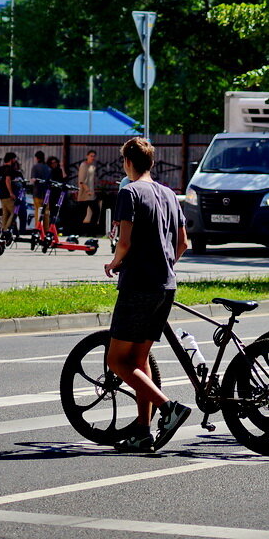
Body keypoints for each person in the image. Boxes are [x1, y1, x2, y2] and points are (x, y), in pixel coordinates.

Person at [103, 138, 191, 452]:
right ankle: (142, 431)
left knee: (116, 360)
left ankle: (169, 408)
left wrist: (113, 263)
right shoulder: (169, 193)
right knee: (139, 361)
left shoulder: (128, 192)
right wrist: (165, 264)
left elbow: (124, 242)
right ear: (151, 162)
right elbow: (183, 242)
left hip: (138, 284)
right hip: (166, 285)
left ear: (128, 162)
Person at [0, 152, 23, 235]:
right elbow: (7, 180)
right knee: (14, 212)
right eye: (14, 158)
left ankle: (3, 230)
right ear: (11, 159)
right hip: (8, 195)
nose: (15, 160)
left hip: (1, 194)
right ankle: (7, 230)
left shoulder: (0, 169)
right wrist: (11, 192)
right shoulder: (9, 169)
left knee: (6, 213)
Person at [77, 149, 98, 228]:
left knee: (95, 211)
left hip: (91, 194)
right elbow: (81, 181)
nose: (92, 158)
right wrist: (87, 190)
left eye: (94, 156)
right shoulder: (83, 165)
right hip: (84, 194)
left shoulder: (92, 166)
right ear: (87, 156)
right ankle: (79, 230)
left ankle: (91, 230)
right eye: (91, 156)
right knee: (82, 213)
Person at [30, 151, 51, 228]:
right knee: (46, 213)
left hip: (37, 193)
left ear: (37, 158)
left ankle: (38, 229)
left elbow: (33, 179)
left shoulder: (35, 167)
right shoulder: (48, 168)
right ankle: (46, 229)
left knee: (38, 212)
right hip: (46, 193)